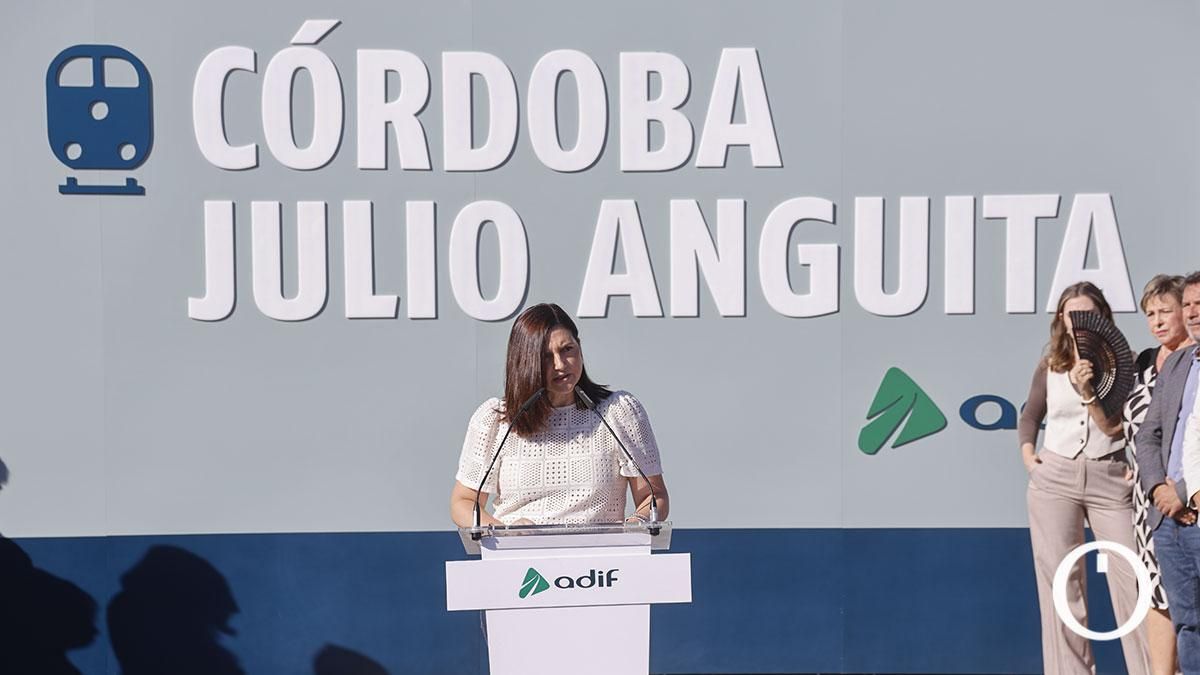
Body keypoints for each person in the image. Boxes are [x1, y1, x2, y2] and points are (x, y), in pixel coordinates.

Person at [1019, 281, 1150, 675]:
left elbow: (1117, 429)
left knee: (1134, 580)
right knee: (1063, 584)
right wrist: (1029, 454)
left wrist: (1088, 387)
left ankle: (1153, 669)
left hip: (1110, 476)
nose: (1077, 323)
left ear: (1101, 317)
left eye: (1086, 314)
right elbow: (1030, 416)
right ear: (1061, 319)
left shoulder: (1126, 362)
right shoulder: (1051, 365)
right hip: (1054, 476)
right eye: (1070, 315)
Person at [449, 303, 669, 527]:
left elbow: (653, 496)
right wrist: (504, 532)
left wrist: (637, 523)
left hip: (599, 558)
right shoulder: (496, 420)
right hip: (518, 557)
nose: (560, 364)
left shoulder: (619, 411)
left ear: (579, 347)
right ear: (525, 361)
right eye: (546, 356)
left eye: (567, 349)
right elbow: (463, 502)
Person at [1125, 275, 1192, 675]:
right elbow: (1130, 429)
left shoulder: (1195, 360)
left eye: (1165, 311)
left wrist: (1178, 490)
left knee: (1189, 597)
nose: (1157, 321)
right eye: (1150, 313)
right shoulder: (1144, 361)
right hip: (1146, 498)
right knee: (1155, 592)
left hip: (1186, 496)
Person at [1141, 271, 1200, 672]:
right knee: (1188, 623)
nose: (1192, 313)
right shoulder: (1178, 362)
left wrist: (1181, 491)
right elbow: (1148, 435)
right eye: (1189, 305)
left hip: (1193, 507)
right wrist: (1159, 490)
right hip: (1167, 519)